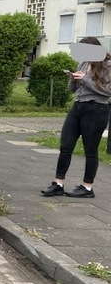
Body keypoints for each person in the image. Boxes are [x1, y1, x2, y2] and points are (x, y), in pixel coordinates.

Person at [41, 36, 111, 198]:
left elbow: (107, 91)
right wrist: (72, 80)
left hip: (96, 109)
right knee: (66, 145)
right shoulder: (83, 64)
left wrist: (85, 79)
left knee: (90, 150)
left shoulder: (107, 67)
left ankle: (87, 187)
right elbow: (73, 90)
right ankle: (58, 183)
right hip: (77, 107)